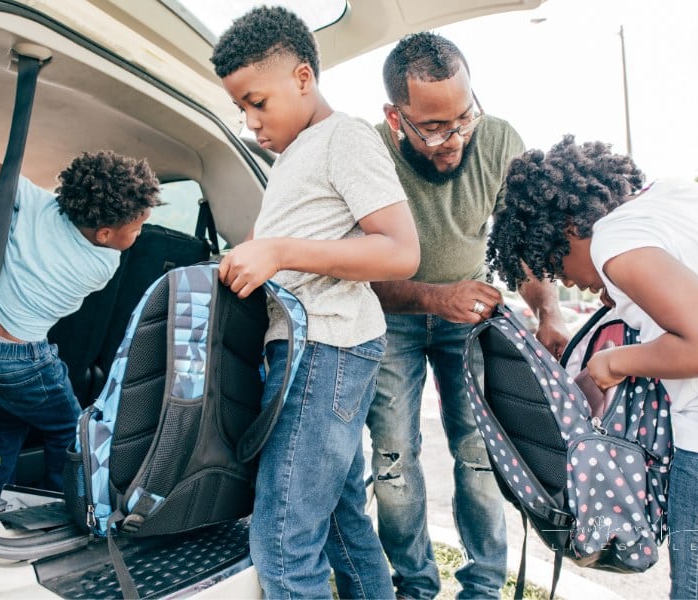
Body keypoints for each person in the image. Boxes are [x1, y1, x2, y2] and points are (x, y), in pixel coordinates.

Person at [210, 7, 421, 598]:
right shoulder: (293, 155)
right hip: (308, 350)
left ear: (303, 77)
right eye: (241, 109)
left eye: (258, 102)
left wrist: (278, 251)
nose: (251, 122)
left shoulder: (343, 138)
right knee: (340, 524)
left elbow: (400, 250)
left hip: (326, 348)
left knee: (283, 543)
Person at [486, 135, 698, 600]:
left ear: (568, 227)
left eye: (555, 265)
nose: (569, 282)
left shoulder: (615, 238)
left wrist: (614, 363)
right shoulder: (674, 196)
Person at [368, 33, 570, 599]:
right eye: (434, 128)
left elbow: (520, 244)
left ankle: (483, 588)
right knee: (393, 460)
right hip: (393, 319)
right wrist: (436, 298)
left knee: (481, 456)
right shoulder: (368, 152)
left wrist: (548, 311)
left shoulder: (499, 139)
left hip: (471, 315)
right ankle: (414, 586)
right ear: (395, 117)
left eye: (463, 118)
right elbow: (355, 272)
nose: (454, 139)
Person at [0, 150, 160, 517]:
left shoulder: (39, 204)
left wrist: (39, 198)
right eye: (136, 229)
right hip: (25, 362)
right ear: (104, 234)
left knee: (6, 428)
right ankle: (64, 505)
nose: (139, 235)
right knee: (72, 431)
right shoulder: (102, 263)